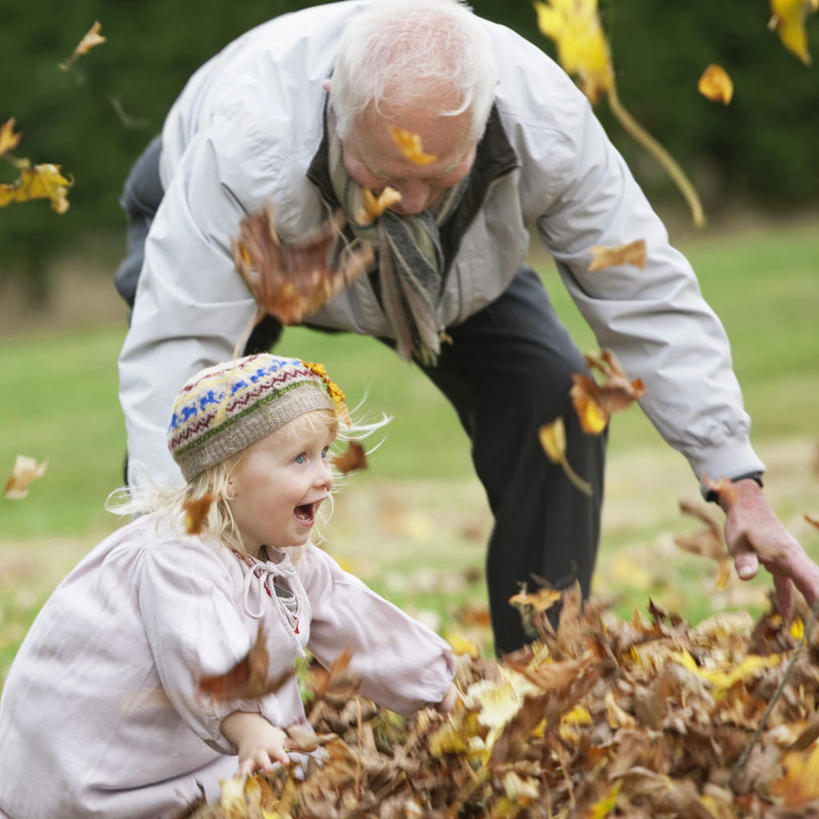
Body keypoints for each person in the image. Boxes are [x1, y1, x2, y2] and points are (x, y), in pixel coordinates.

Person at [115, 0, 819, 655]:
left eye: (439, 174)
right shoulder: (245, 144)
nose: (409, 201)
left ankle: (537, 674)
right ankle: (197, 676)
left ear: (482, 120)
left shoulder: (543, 120)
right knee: (215, 446)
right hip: (253, 248)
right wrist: (171, 549)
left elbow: (642, 290)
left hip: (453, 271)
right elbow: (177, 359)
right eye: (386, 173)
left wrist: (734, 478)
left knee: (554, 394)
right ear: (336, 107)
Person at [0, 354, 456, 819]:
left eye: (323, 454)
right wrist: (247, 726)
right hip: (97, 776)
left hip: (178, 752)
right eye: (300, 458)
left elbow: (355, 618)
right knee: (267, 785)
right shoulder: (178, 557)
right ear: (229, 478)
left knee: (287, 778)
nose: (323, 474)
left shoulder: (277, 553)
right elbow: (198, 649)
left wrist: (441, 685)